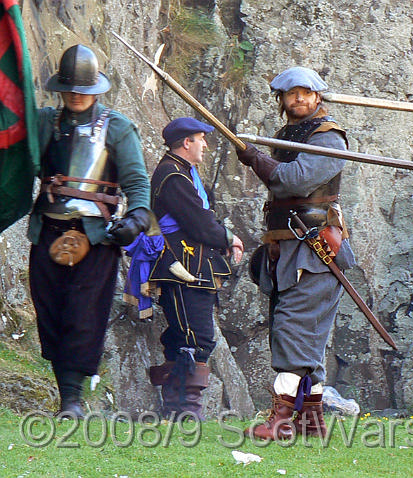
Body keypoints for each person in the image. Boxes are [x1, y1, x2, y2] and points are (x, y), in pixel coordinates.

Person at [27, 44, 151, 418]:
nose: (77, 96)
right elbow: (12, 133)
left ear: (95, 90)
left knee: (83, 314)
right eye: (70, 90)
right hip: (48, 231)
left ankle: (72, 400)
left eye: (83, 90)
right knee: (50, 311)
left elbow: (137, 181)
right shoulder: (44, 122)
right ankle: (67, 391)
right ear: (61, 89)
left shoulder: (118, 127)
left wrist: (137, 219)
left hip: (96, 238)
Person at [235, 66, 356, 440]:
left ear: (318, 97)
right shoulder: (288, 135)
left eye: (306, 92)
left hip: (314, 249)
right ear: (282, 100)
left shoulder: (329, 137)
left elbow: (294, 180)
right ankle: (311, 419)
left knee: (293, 329)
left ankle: (281, 420)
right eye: (291, 94)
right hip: (288, 248)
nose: (299, 99)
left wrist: (255, 157)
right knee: (304, 334)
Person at [145, 118, 243, 420]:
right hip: (184, 267)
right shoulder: (172, 174)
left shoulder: (182, 172)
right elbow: (198, 221)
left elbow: (200, 217)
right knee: (195, 336)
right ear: (186, 142)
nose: (205, 145)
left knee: (182, 334)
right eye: (201, 138)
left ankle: (177, 410)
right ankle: (186, 411)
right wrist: (228, 237)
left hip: (193, 266)